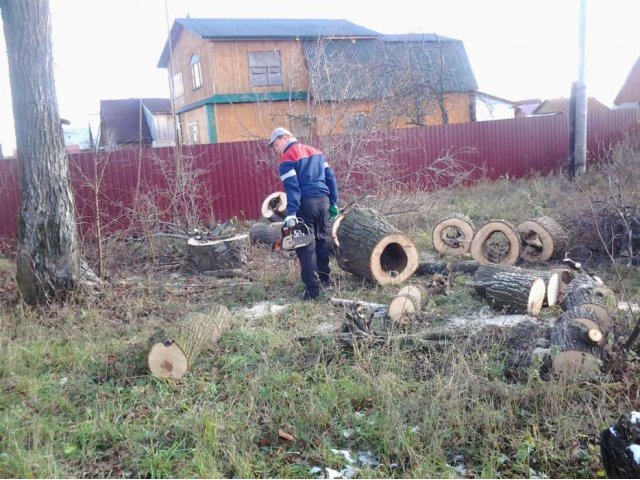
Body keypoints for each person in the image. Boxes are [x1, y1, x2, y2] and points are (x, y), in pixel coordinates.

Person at [268, 127, 340, 300]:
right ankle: (324, 280)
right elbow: (330, 178)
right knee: (321, 241)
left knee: (305, 247)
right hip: (322, 202)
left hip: (305, 206)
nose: (276, 150)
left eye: (276, 145)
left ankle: (312, 291)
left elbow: (293, 188)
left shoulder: (288, 158)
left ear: (285, 138)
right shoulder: (316, 152)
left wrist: (291, 212)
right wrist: (333, 202)